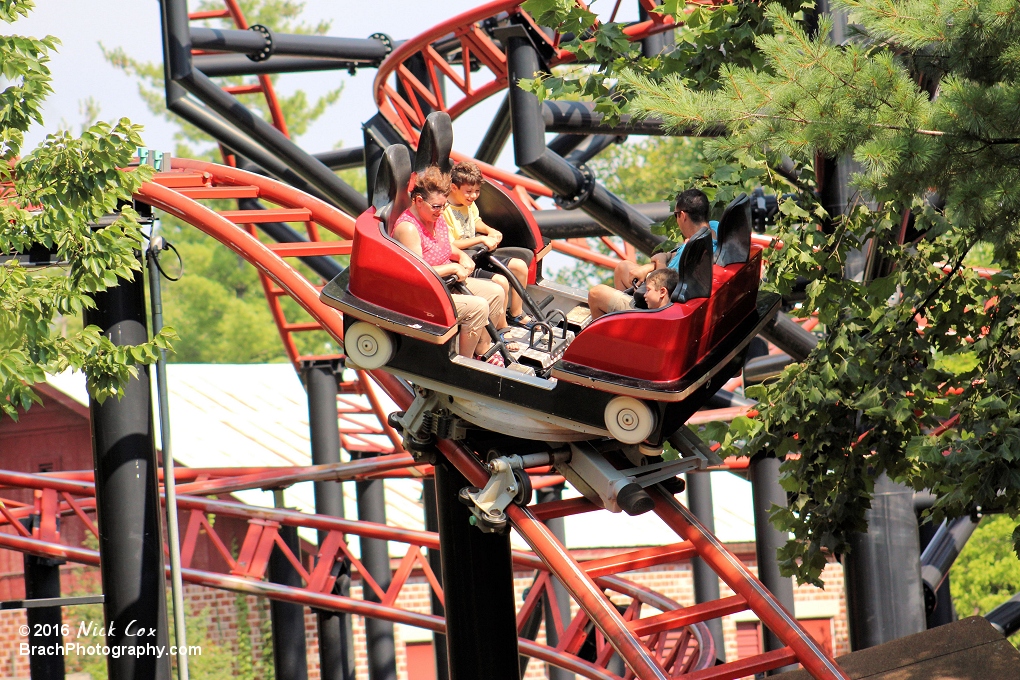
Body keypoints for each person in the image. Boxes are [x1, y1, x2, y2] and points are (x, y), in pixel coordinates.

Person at [390, 166, 512, 366]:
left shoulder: (435, 217)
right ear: (419, 201)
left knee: (496, 291)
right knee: (478, 306)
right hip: (425, 296)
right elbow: (419, 273)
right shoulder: (409, 229)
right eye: (437, 206)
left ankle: (483, 351)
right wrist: (453, 268)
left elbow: (445, 247)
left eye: (444, 205)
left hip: (446, 285)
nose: (441, 211)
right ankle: (464, 363)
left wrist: (461, 256)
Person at [588, 188, 715, 319]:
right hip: (662, 288)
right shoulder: (710, 231)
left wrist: (659, 263)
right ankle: (623, 319)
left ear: (683, 216)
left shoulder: (692, 252)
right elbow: (673, 255)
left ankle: (629, 323)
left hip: (662, 308)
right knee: (623, 267)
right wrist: (649, 267)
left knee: (596, 294)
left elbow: (665, 285)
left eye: (675, 215)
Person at [444, 161, 536, 327]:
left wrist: (489, 231)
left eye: (477, 191)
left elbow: (475, 221)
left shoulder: (468, 204)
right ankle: (501, 328)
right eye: (469, 192)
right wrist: (480, 239)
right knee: (500, 282)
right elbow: (451, 244)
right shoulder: (445, 210)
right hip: (464, 262)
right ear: (453, 188)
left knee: (520, 266)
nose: (473, 196)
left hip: (479, 254)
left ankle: (515, 313)